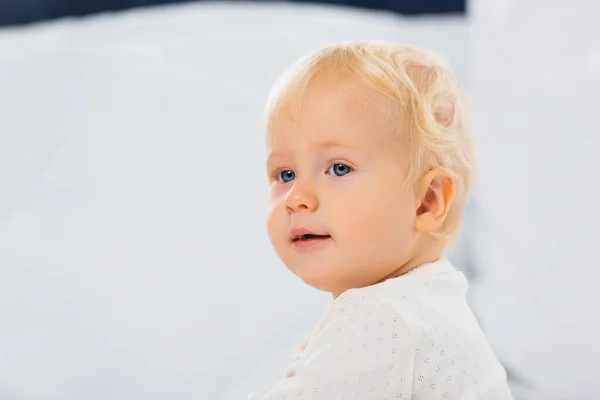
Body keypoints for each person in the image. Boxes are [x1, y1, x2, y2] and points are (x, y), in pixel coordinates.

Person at [251, 41, 513, 400]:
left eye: (339, 168)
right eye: (284, 174)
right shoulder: (426, 302)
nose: (297, 197)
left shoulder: (382, 318)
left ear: (427, 201)